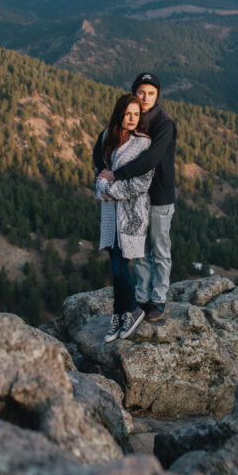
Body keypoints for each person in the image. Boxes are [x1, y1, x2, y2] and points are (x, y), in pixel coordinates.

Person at [93, 73, 176, 323]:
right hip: (134, 200)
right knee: (139, 251)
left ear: (157, 96)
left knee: (159, 249)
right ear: (134, 92)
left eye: (151, 93)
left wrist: (116, 176)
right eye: (141, 92)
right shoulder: (133, 118)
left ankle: (158, 299)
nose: (145, 98)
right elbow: (101, 146)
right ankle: (141, 297)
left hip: (158, 195)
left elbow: (150, 160)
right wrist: (102, 172)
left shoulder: (164, 124)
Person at [95, 93, 155, 343]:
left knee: (120, 267)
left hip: (131, 214)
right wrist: (101, 187)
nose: (132, 118)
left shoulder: (143, 143)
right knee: (114, 266)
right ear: (119, 113)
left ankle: (133, 310)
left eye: (136, 114)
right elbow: (99, 172)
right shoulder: (107, 137)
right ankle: (118, 315)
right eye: (127, 113)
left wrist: (109, 189)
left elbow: (141, 183)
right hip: (110, 214)